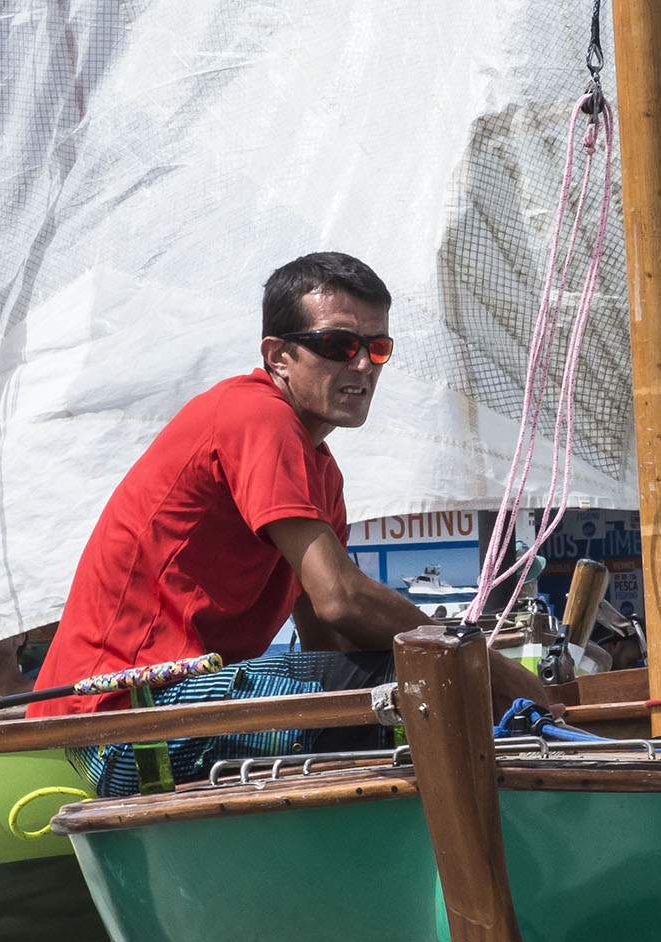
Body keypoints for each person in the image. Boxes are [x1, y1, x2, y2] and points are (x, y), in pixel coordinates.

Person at [30, 251, 545, 731]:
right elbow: (340, 599)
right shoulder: (254, 415)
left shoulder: (321, 470)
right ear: (277, 356)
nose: (363, 366)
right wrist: (483, 664)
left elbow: (327, 633)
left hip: (183, 705)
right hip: (118, 713)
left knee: (406, 689)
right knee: (445, 685)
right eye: (339, 345)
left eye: (378, 348)